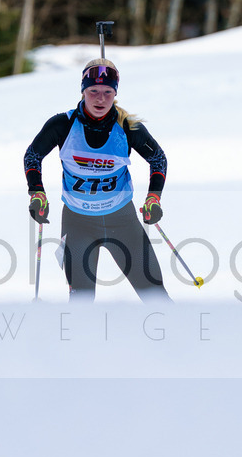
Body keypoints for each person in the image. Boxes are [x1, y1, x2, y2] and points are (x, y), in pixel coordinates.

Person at [24, 58, 170, 301]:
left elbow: (158, 159)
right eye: (93, 91)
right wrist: (37, 192)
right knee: (81, 303)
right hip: (77, 224)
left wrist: (153, 198)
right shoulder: (63, 125)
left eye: (107, 92)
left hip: (122, 221)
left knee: (155, 296)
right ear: (83, 91)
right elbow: (32, 156)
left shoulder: (128, 127)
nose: (100, 99)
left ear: (115, 94)